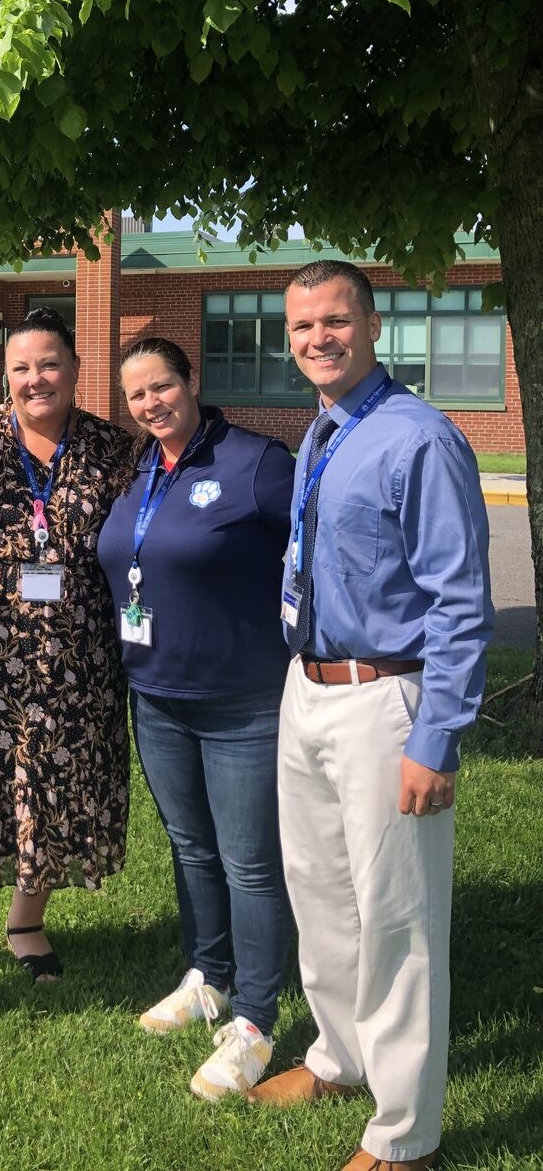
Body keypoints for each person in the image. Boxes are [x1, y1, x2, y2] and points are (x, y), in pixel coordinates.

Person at [246, 260, 493, 1171]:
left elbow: (460, 601)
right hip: (307, 689)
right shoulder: (324, 429)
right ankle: (340, 1059)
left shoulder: (418, 439)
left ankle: (404, 1139)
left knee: (396, 919)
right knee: (321, 901)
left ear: (374, 323)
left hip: (386, 700)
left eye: (335, 321)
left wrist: (435, 739)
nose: (318, 338)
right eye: (303, 325)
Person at [0, 306, 133, 1043]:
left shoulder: (110, 447)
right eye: (20, 367)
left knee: (53, 790)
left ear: (74, 368)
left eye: (47, 364)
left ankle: (26, 921)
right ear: (3, 376)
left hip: (76, 665)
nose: (34, 378)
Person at [97, 336, 294, 1101]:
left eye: (161, 386)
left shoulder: (253, 463)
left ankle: (254, 1018)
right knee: (190, 849)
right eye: (136, 394)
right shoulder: (142, 469)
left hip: (243, 703)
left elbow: (312, 556)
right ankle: (207, 977)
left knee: (248, 862)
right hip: (157, 699)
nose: (150, 402)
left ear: (190, 381)